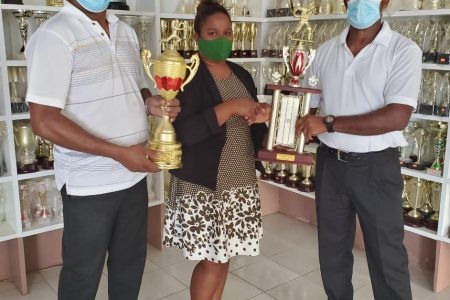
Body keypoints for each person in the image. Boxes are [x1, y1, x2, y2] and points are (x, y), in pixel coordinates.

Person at [25, 0, 180, 299]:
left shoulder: (125, 31)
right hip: (89, 185)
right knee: (82, 276)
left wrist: (150, 103)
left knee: (129, 267)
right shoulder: (54, 35)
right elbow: (44, 121)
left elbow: (134, 87)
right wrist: (119, 153)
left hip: (133, 178)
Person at [296, 0, 421, 299]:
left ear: (385, 2)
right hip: (331, 166)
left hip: (376, 169)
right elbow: (305, 110)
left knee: (387, 258)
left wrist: (329, 123)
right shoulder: (324, 52)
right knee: (333, 255)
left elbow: (396, 117)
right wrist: (275, 117)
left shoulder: (403, 50)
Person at [162, 1, 270, 299]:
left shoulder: (242, 75)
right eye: (212, 33)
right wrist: (231, 107)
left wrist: (264, 117)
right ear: (196, 38)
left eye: (227, 33)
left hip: (240, 179)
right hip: (204, 183)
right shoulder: (186, 77)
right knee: (213, 258)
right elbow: (184, 133)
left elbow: (254, 129)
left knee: (225, 256)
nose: (221, 40)